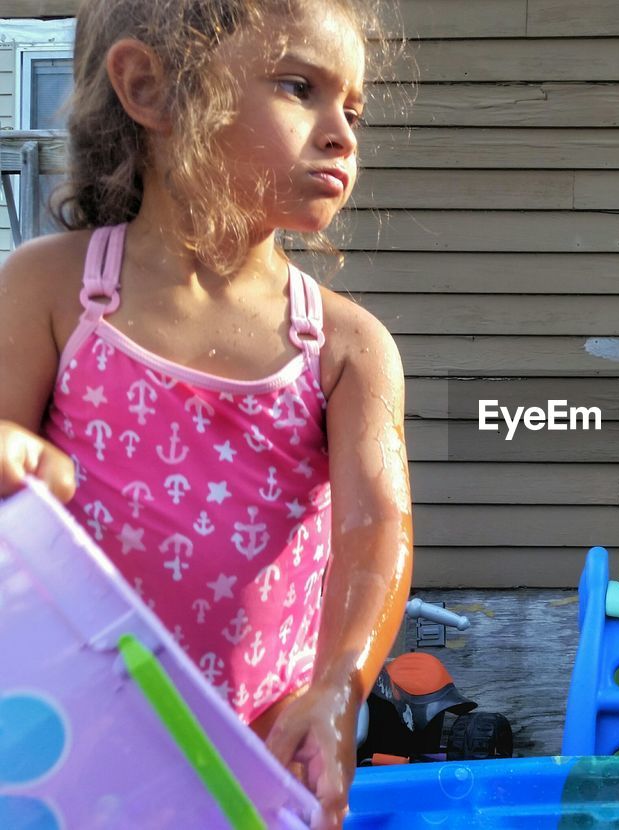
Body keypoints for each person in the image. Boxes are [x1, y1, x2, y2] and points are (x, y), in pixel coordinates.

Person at [0, 1, 410, 826]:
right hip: (65, 745)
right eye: (300, 87)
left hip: (253, 757)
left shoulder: (345, 345)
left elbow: (376, 533)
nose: (342, 133)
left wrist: (339, 686)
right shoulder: (54, 290)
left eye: (353, 108)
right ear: (150, 89)